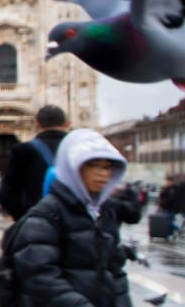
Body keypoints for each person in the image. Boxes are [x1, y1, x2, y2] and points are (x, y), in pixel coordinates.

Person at [9, 128, 132, 307]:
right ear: (73, 167)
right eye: (93, 164)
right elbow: (39, 275)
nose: (103, 173)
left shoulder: (103, 213)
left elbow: (116, 271)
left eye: (107, 167)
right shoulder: (46, 215)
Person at [0, 104, 69, 219]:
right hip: (72, 224)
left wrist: (25, 217)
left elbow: (6, 195)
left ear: (36, 123)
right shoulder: (78, 150)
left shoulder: (22, 151)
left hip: (36, 220)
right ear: (66, 123)